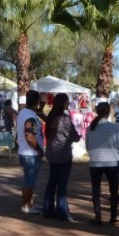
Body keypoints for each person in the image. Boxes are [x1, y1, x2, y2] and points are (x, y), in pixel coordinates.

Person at [42, 93, 81, 221]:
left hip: (52, 153)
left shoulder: (51, 117)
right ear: (63, 103)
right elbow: (74, 136)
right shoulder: (65, 119)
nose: (68, 104)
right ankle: (62, 211)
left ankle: (47, 210)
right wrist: (77, 135)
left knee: (52, 181)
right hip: (63, 154)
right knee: (62, 184)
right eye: (67, 101)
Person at [85, 102, 119, 224]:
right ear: (108, 113)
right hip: (111, 162)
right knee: (113, 190)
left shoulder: (90, 128)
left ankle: (98, 217)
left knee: (96, 190)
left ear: (97, 112)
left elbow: (88, 146)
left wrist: (93, 156)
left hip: (95, 163)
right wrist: (116, 158)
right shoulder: (114, 128)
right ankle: (114, 216)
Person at [16, 90, 45, 214]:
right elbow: (29, 136)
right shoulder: (30, 116)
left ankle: (30, 203)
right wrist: (39, 150)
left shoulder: (24, 112)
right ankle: (26, 206)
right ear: (37, 101)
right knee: (29, 181)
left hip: (25, 152)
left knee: (30, 180)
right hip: (30, 153)